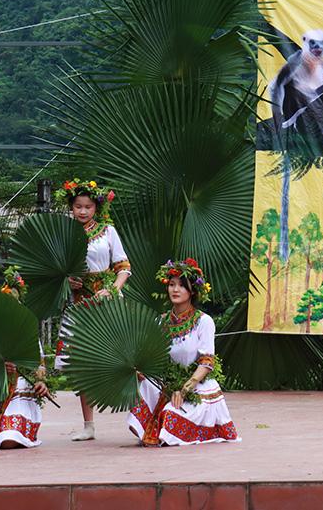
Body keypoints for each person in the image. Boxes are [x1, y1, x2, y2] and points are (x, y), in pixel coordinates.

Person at [127, 259, 238, 446]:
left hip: (197, 385)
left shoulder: (204, 322)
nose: (175, 290)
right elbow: (152, 357)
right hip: (167, 384)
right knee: (144, 384)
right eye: (171, 285)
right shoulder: (161, 321)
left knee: (171, 416)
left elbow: (206, 363)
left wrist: (184, 390)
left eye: (181, 286)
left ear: (192, 291)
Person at [54, 179, 130, 442]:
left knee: (126, 360)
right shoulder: (63, 233)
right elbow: (54, 272)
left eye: (87, 206)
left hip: (107, 302)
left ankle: (143, 416)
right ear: (71, 207)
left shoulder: (108, 231)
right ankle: (89, 425)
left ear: (96, 208)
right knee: (81, 364)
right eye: (78, 206)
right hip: (78, 304)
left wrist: (112, 289)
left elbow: (123, 267)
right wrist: (67, 279)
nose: (83, 211)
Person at [0, 266, 48, 448]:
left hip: (15, 388)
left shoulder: (21, 325)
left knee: (9, 439)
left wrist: (41, 382)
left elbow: (38, 362)